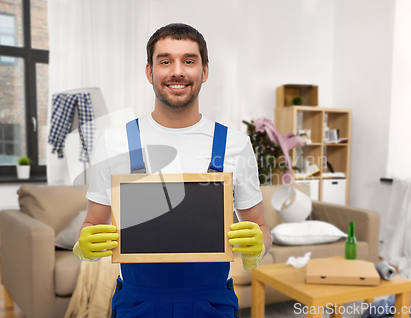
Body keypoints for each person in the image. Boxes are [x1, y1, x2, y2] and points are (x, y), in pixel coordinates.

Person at [73, 23, 272, 318]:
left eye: (189, 61)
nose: (177, 71)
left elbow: (261, 227)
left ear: (204, 71)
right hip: (138, 303)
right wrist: (84, 246)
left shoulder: (235, 144)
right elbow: (92, 222)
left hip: (212, 303)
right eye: (165, 61)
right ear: (149, 72)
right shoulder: (114, 143)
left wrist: (258, 246)